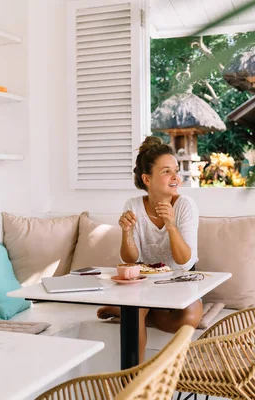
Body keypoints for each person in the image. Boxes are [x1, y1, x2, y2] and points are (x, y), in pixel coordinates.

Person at [96, 136, 203, 363]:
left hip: (180, 281)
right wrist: (126, 232)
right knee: (136, 309)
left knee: (190, 317)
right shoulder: (133, 205)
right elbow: (130, 259)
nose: (176, 177)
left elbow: (185, 263)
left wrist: (171, 226)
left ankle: (127, 311)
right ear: (147, 178)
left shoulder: (185, 206)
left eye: (176, 170)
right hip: (144, 282)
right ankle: (134, 384)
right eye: (166, 172)